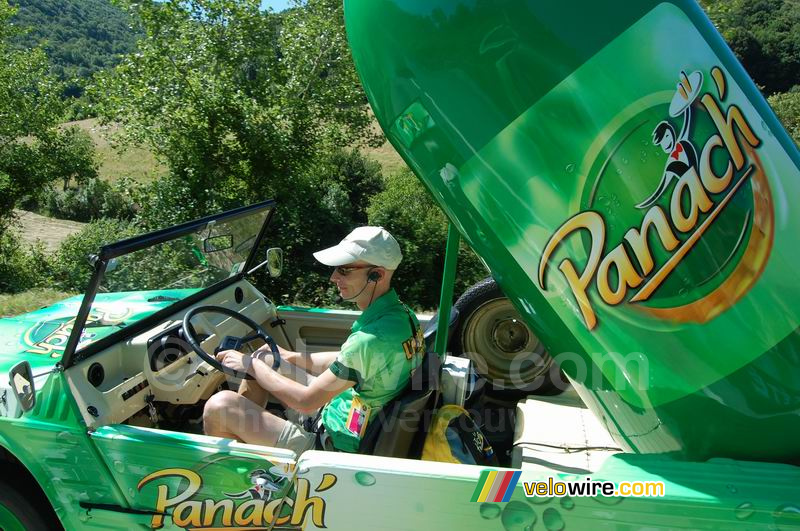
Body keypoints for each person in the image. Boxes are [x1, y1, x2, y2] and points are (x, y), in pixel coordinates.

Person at [203, 226, 425, 454]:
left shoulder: (370, 340)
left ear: (376, 274)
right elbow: (348, 361)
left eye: (344, 270)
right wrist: (291, 356)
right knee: (265, 357)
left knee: (219, 406)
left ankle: (244, 463)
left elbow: (306, 401)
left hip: (332, 447)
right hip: (341, 411)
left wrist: (250, 366)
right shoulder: (402, 317)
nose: (334, 277)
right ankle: (251, 439)